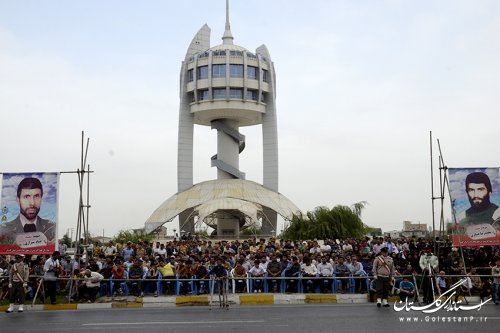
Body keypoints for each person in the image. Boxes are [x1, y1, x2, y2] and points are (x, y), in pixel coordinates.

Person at [0, 177, 56, 244]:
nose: (32, 203)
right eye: (26, 196)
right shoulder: (3, 230)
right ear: (18, 200)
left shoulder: (51, 228)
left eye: (36, 196)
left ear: (41, 199)